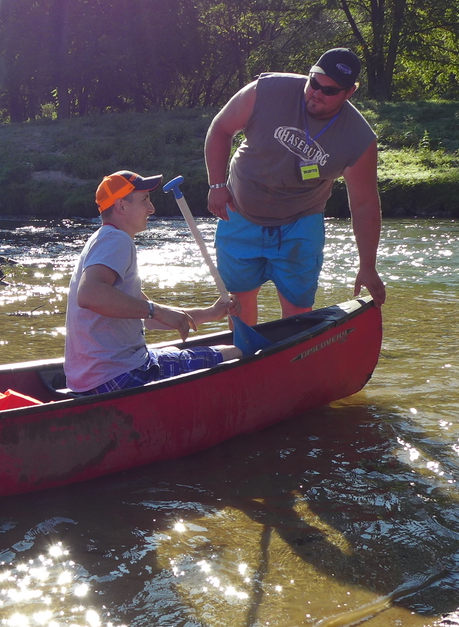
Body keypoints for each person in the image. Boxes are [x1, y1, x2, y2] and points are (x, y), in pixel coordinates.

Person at [204, 47, 387, 325]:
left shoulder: (359, 138)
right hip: (239, 211)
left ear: (349, 93)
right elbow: (220, 129)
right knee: (239, 301)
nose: (317, 93)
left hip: (300, 222)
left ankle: (292, 361)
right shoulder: (265, 90)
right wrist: (217, 184)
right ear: (310, 74)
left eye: (330, 91)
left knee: (298, 308)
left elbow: (364, 203)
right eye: (314, 82)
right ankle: (243, 354)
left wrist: (368, 267)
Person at [64, 170, 242, 396]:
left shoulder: (102, 240)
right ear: (121, 206)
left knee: (170, 349)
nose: (152, 208)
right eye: (145, 200)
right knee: (233, 353)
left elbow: (151, 318)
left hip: (93, 380)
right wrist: (154, 311)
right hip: (120, 377)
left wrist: (212, 313)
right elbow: (89, 295)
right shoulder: (116, 240)